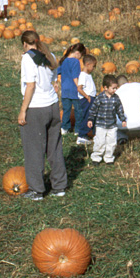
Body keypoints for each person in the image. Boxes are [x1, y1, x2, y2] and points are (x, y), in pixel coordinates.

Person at [18, 30, 67, 200]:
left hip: (36, 108)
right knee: (54, 148)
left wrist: (23, 110)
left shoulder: (27, 58)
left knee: (34, 150)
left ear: (25, 44)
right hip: (53, 107)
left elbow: (30, 86)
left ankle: (37, 190)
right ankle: (59, 187)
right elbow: (54, 78)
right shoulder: (49, 54)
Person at [87, 75, 126, 165]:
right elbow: (93, 110)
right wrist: (90, 119)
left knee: (111, 142)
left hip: (112, 125)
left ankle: (109, 158)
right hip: (100, 125)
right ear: (105, 88)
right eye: (113, 88)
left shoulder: (116, 98)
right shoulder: (99, 98)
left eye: (116, 88)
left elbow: (119, 109)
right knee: (99, 142)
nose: (115, 90)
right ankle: (96, 157)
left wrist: (123, 119)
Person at [58, 43, 86, 137]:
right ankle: (78, 130)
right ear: (78, 53)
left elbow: (57, 71)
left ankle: (64, 128)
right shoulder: (75, 62)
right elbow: (75, 77)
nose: (80, 58)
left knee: (66, 110)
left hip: (65, 91)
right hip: (74, 91)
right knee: (78, 111)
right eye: (81, 56)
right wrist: (80, 88)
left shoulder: (64, 60)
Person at [76, 54, 97, 145]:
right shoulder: (83, 75)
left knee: (92, 116)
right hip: (86, 100)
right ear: (88, 64)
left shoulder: (88, 75)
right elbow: (79, 88)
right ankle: (81, 135)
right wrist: (87, 97)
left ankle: (91, 133)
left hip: (90, 98)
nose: (94, 68)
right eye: (93, 66)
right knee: (87, 116)